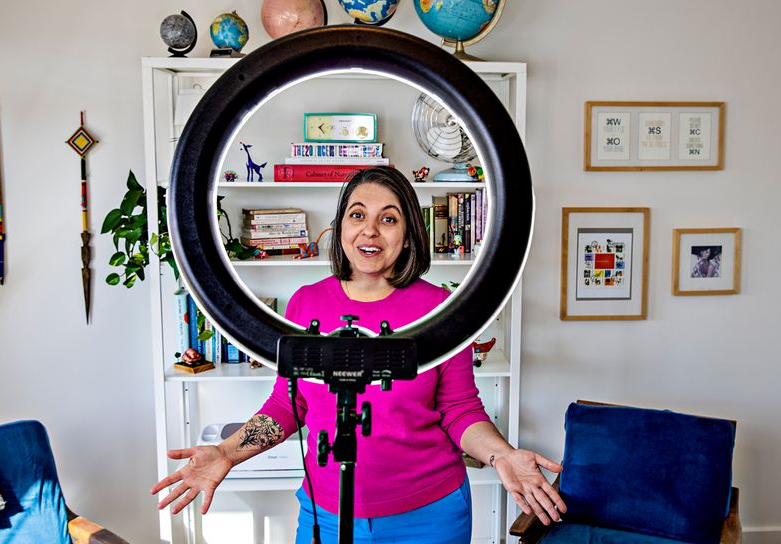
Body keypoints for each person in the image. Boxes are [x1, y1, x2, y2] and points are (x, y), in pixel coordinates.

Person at [150, 166, 566, 542]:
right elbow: (288, 402)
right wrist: (226, 453)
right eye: (357, 215)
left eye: (388, 218)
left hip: (430, 515)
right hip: (326, 515)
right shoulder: (305, 305)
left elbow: (458, 407)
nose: (370, 230)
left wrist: (501, 455)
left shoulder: (442, 309)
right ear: (341, 227)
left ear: (407, 236)